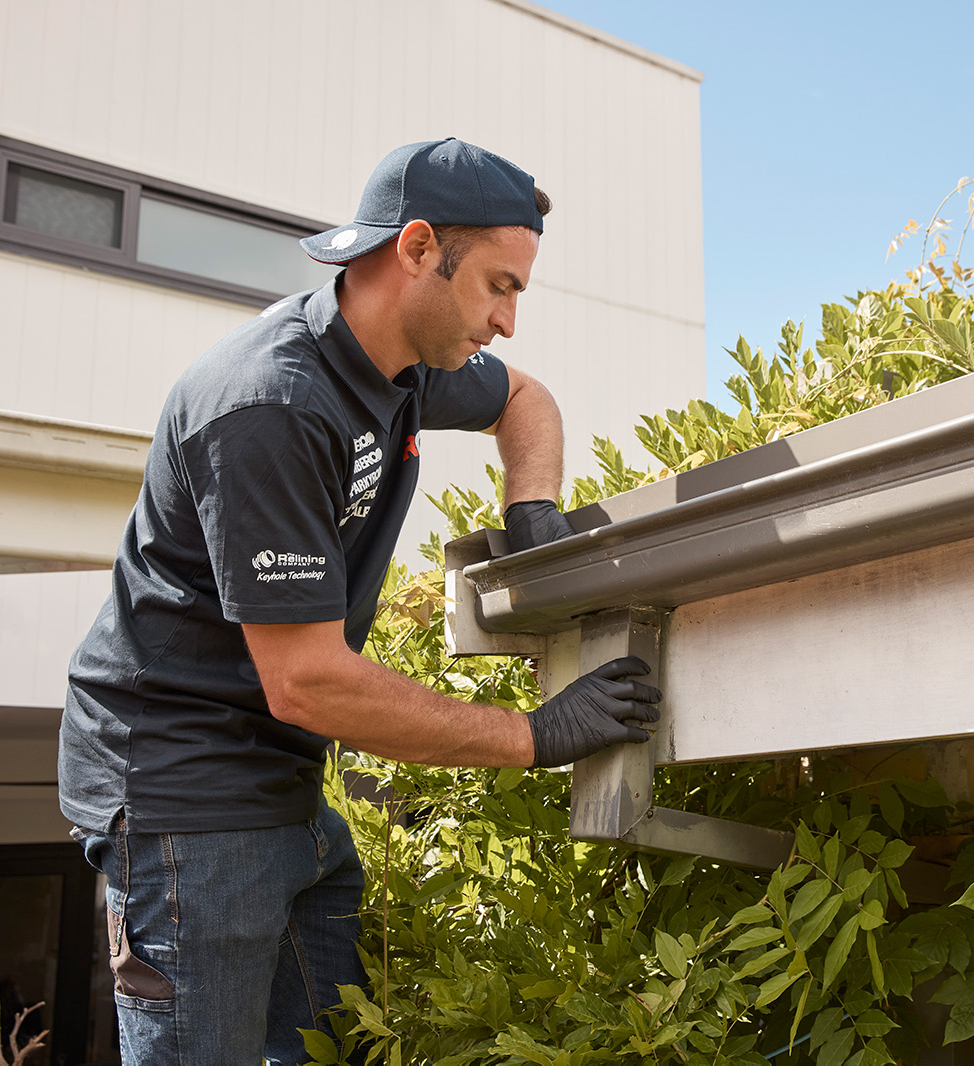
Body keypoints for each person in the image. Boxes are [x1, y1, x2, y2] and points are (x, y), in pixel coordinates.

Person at [58, 138, 662, 1065]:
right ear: (418, 249)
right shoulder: (271, 405)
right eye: (498, 286)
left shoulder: (402, 367)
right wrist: (535, 736)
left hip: (286, 792)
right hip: (183, 797)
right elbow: (305, 682)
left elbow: (528, 402)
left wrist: (531, 505)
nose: (506, 322)